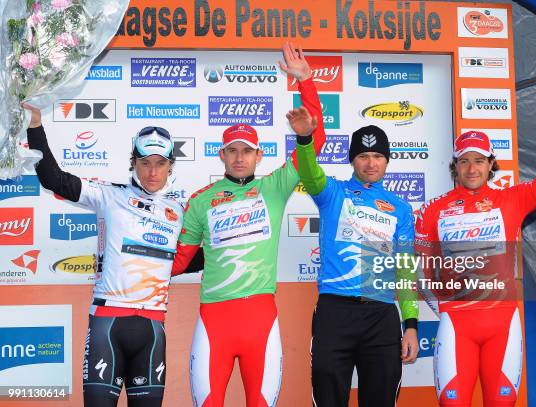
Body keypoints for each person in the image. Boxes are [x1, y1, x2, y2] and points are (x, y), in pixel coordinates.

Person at [414, 66, 536, 407]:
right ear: (455, 166)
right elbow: (420, 270)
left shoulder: (513, 199)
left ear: (492, 164)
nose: (472, 168)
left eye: (479, 161)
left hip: (502, 326)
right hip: (456, 325)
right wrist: (443, 307)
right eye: (464, 161)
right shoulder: (433, 210)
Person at [171, 42, 325, 407]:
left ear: (259, 155)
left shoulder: (274, 187)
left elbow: (313, 141)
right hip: (214, 318)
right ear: (221, 155)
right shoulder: (201, 200)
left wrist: (305, 81)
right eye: (232, 151)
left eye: (247, 151)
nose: (239, 158)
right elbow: (178, 261)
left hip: (260, 318)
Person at [24, 105, 202, 407]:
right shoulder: (109, 195)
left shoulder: (182, 211)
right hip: (107, 323)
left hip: (153, 329)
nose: (153, 172)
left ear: (171, 165)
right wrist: (36, 126)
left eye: (160, 164)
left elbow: (190, 260)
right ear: (133, 162)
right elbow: (53, 179)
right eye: (145, 163)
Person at [294, 123, 420, 406]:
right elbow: (309, 174)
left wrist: (410, 324)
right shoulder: (332, 193)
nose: (371, 163)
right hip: (334, 313)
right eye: (363, 156)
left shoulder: (400, 208)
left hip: (381, 317)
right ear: (352, 160)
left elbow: (405, 269)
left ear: (387, 160)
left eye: (378, 156)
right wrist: (304, 139)